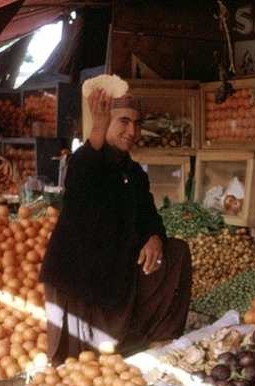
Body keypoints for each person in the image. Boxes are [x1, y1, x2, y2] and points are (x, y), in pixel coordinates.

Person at [39, 82, 192, 364]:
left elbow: (151, 218)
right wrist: (97, 127)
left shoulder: (133, 173)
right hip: (80, 280)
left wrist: (154, 236)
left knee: (176, 251)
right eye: (123, 121)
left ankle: (157, 338)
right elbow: (85, 171)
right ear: (106, 121)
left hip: (117, 276)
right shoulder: (85, 164)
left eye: (136, 123)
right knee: (80, 367)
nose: (132, 132)